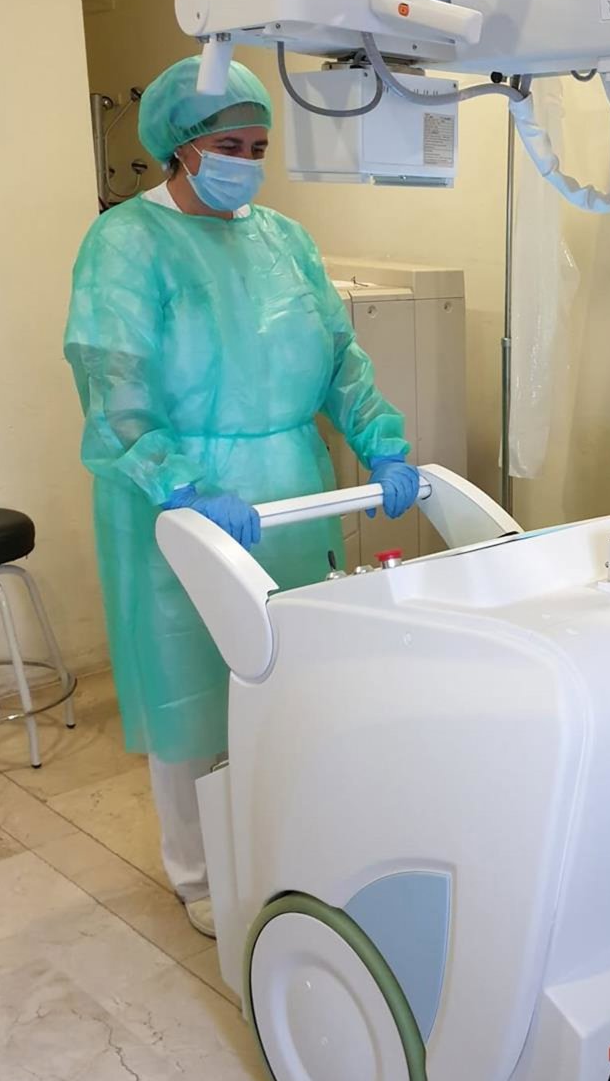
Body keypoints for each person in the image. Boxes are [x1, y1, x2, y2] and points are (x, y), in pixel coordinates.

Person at [65, 56, 420, 936]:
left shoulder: (284, 240)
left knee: (287, 677)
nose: (247, 164)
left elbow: (339, 361)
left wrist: (381, 443)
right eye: (229, 146)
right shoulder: (125, 243)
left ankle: (280, 843)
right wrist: (180, 484)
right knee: (190, 685)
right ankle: (197, 873)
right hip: (180, 502)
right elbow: (114, 386)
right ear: (179, 147)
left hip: (291, 486)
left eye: (259, 148)